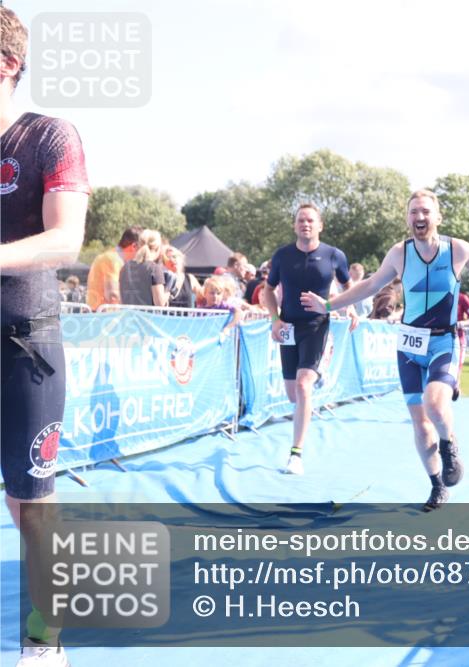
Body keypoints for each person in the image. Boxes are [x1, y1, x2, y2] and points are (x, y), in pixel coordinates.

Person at [302, 190, 469, 511]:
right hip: (408, 345)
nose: (420, 217)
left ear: (438, 217)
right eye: (414, 212)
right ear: (407, 218)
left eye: (426, 212)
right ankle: (436, 486)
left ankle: (450, 442)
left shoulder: (456, 250)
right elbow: (372, 285)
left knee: (435, 404)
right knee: (420, 425)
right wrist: (328, 304)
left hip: (443, 341)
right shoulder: (399, 254)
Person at [1, 7, 91, 664]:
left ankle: (46, 629)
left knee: (30, 498)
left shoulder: (49, 137)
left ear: (6, 64)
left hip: (26, 347)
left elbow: (66, 238)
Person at [259, 203, 358, 475]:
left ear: (320, 225)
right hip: (289, 327)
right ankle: (316, 373)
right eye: (301, 220)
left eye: (311, 220)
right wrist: (275, 319)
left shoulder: (334, 255)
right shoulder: (281, 256)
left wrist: (347, 306)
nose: (305, 224)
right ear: (294, 226)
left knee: (303, 386)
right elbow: (267, 291)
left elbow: (350, 287)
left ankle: (295, 455)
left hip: (316, 326)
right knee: (294, 395)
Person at [85, 225, 142, 310]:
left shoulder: (112, 257)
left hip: (99, 314)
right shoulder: (113, 260)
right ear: (134, 246)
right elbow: (113, 294)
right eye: (143, 249)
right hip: (104, 316)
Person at [119, 233, 168, 307]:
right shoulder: (154, 269)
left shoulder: (125, 267)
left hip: (127, 316)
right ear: (158, 249)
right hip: (147, 317)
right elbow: (159, 303)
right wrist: (169, 291)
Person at [454, 290, 469, 397]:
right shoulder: (436, 293)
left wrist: (460, 324)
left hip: (458, 338)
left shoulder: (462, 298)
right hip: (438, 339)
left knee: (457, 370)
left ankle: (456, 387)